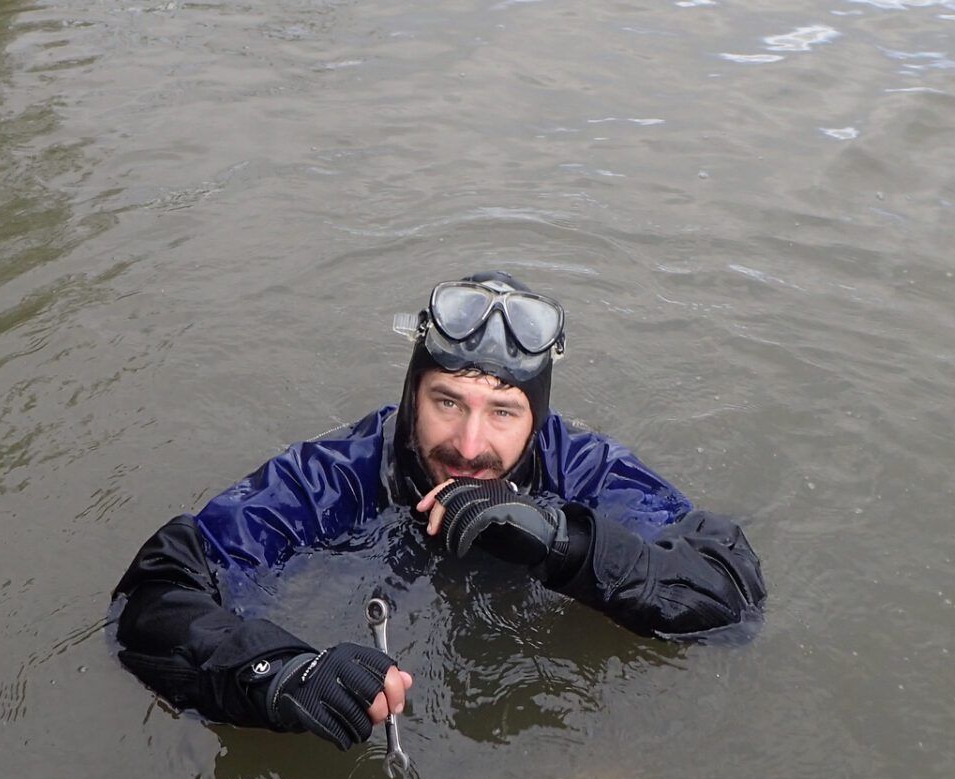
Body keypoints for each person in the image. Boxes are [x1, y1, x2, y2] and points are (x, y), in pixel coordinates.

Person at [110, 272, 765, 752]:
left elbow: (729, 594)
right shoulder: (342, 474)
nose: (470, 445)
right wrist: (277, 673)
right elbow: (156, 596)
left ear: (538, 420)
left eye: (503, 412)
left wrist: (561, 543)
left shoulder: (582, 470)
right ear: (411, 393)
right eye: (446, 402)